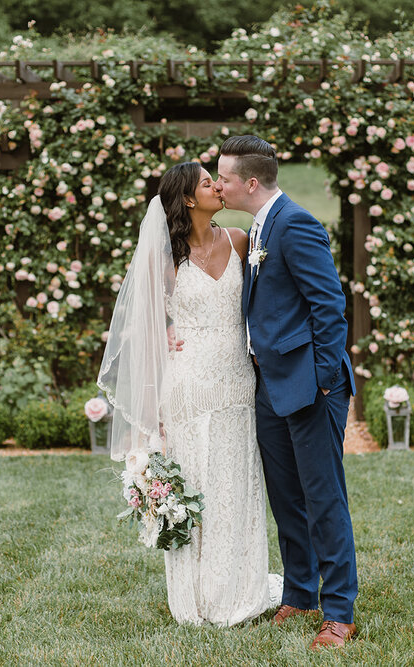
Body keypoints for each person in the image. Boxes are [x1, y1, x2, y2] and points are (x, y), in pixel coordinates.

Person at [98, 161, 280, 626]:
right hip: (188, 387)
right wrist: (165, 337)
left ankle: (240, 588)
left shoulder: (241, 240)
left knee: (236, 484)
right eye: (207, 182)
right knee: (197, 481)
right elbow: (139, 331)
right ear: (187, 199)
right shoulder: (164, 260)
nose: (218, 186)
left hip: (239, 381)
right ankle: (195, 598)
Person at [214, 135, 359, 650]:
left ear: (250, 183)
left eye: (224, 177)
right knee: (286, 497)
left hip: (310, 385)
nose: (217, 183)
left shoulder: (294, 223)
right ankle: (299, 592)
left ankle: (339, 611)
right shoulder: (259, 225)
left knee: (324, 498)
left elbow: (330, 306)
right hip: (269, 385)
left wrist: (321, 380)